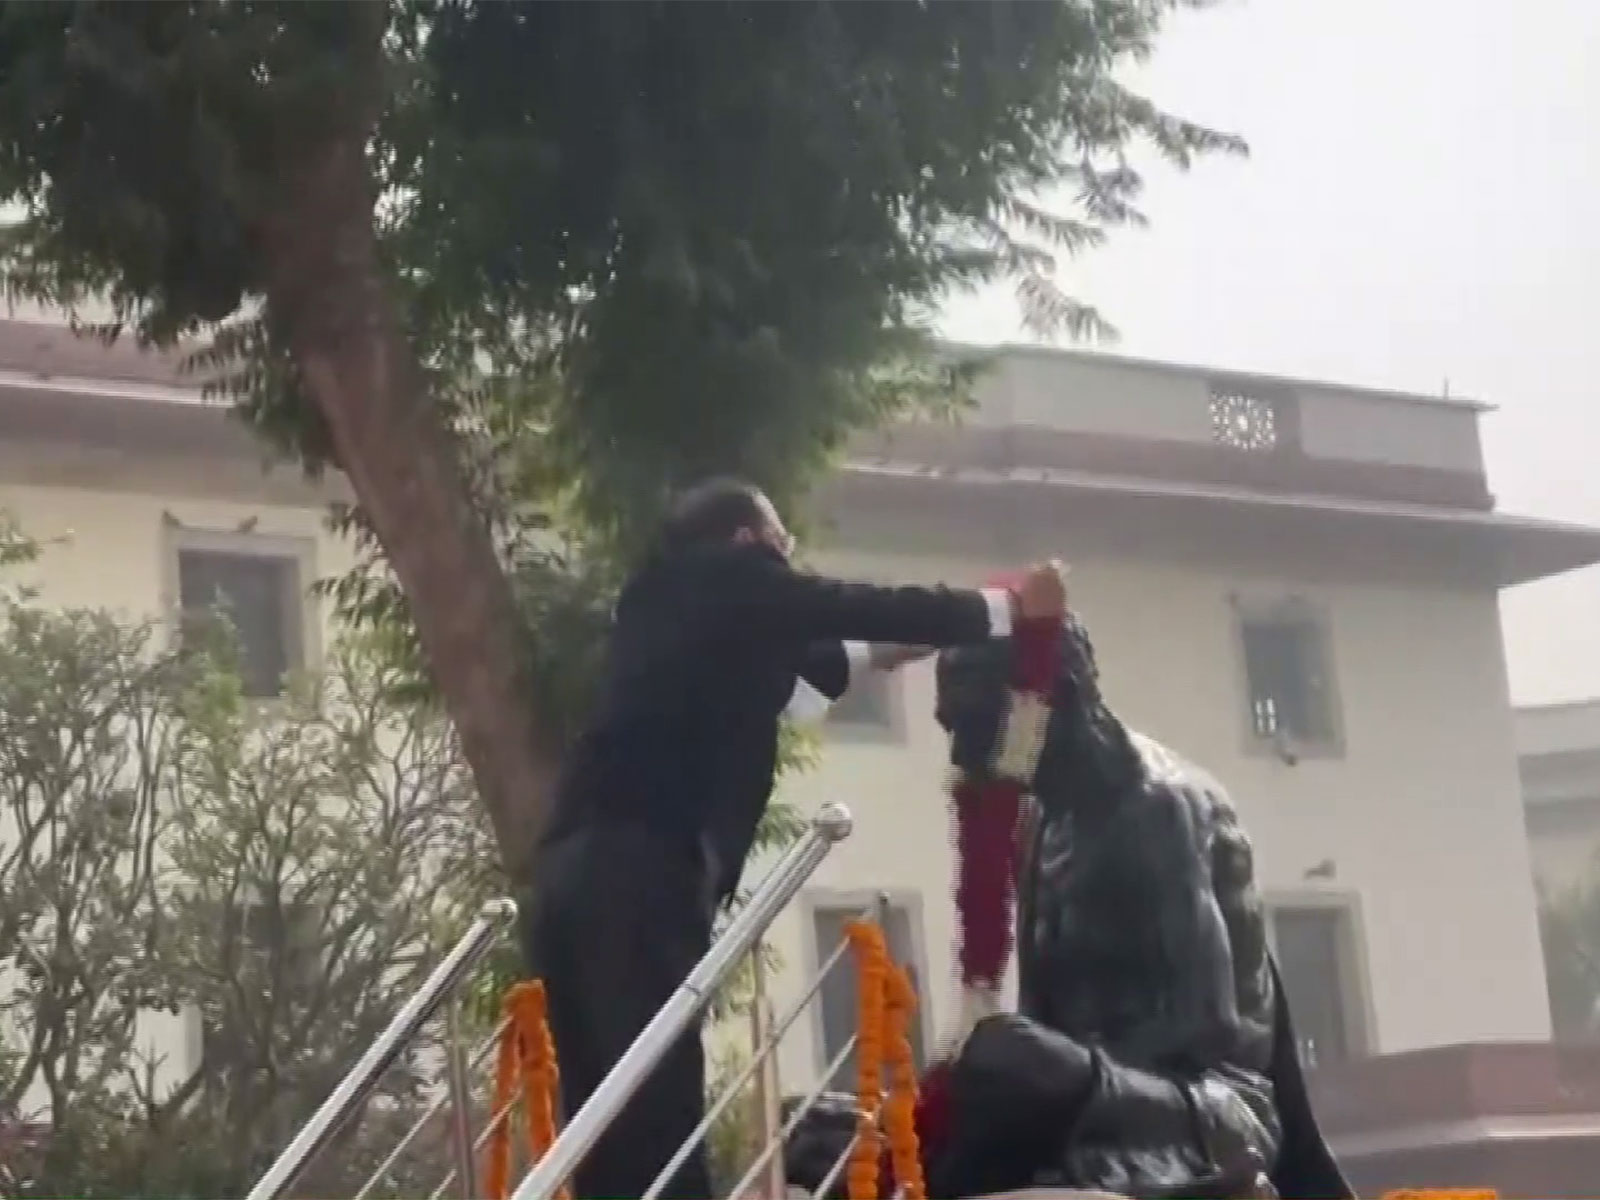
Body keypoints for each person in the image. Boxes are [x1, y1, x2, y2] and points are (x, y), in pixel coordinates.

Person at [521, 476, 1066, 1200]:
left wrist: (885, 653)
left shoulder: (663, 610)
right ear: (750, 540)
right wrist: (999, 610)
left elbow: (800, 682)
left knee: (604, 1110)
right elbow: (838, 604)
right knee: (656, 1106)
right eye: (781, 542)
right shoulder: (733, 575)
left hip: (565, 877)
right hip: (637, 871)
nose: (786, 555)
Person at [785, 611, 1351, 1200]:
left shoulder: (1160, 808)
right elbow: (1041, 1032)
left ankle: (922, 1173)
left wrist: (1020, 1088)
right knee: (814, 1125)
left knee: (1002, 1057)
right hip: (1081, 1096)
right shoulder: (1040, 824)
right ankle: (905, 1166)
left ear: (1049, 697)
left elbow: (1199, 1035)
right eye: (952, 728)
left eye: (979, 726)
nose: (962, 754)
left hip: (1205, 1111)